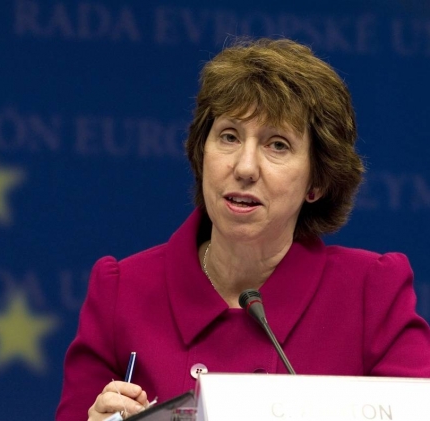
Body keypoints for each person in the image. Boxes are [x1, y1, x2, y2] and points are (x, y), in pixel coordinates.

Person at [56, 38, 430, 421]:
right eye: (229, 136)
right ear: (202, 153)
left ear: (317, 182)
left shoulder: (371, 295)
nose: (245, 167)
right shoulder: (122, 291)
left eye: (277, 145)